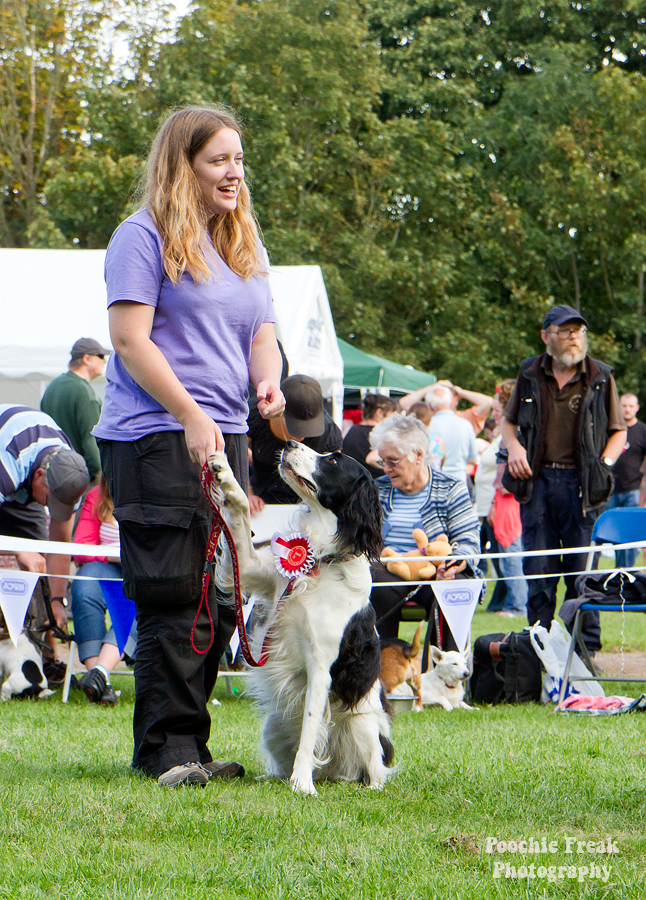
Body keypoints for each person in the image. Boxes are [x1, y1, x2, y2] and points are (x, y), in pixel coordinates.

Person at [93, 106, 285, 788]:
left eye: (239, 159)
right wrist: (187, 412)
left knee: (220, 596)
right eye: (219, 160)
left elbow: (261, 333)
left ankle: (193, 747)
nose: (235, 172)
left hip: (226, 434)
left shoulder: (241, 243)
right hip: (154, 438)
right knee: (175, 592)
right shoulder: (140, 238)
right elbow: (129, 340)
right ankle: (163, 752)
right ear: (183, 166)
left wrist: (268, 384)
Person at [501, 304, 626, 653]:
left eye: (578, 331)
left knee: (582, 575)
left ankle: (584, 654)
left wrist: (604, 462)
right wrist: (514, 449)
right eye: (565, 331)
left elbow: (619, 431)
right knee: (539, 571)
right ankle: (538, 650)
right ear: (546, 335)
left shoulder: (601, 375)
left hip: (583, 487)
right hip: (537, 482)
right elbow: (508, 424)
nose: (573, 338)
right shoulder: (529, 372)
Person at [368, 414, 480, 643]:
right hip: (390, 570)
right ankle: (383, 668)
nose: (386, 468)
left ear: (418, 455)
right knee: (376, 585)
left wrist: (454, 562)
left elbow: (468, 539)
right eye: (382, 461)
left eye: (393, 460)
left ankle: (445, 671)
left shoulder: (450, 488)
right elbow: (364, 540)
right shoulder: (376, 490)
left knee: (453, 591)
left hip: (435, 571)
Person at [0, 405, 90, 679]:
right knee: (27, 555)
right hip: (10, 466)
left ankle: (46, 660)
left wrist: (58, 600)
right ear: (39, 476)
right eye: (51, 501)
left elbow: (59, 545)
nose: (53, 509)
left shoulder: (68, 470)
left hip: (23, 489)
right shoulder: (8, 463)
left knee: (41, 567)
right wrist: (18, 549)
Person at [71, 476, 137, 706]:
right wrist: (108, 555)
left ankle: (99, 673)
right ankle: (99, 680)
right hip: (106, 565)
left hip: (142, 569)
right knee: (84, 582)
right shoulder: (97, 496)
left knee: (142, 596)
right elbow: (81, 548)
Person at [249, 374, 342, 504]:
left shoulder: (329, 432)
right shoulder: (256, 414)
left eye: (309, 428)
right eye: (295, 427)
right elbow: (234, 454)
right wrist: (247, 493)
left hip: (306, 503)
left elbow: (333, 478)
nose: (301, 436)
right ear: (278, 409)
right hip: (259, 499)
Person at [40, 338, 110, 482]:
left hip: (53, 475)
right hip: (78, 477)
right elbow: (91, 441)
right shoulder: (84, 392)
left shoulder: (52, 387)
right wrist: (99, 476)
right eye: (101, 356)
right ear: (86, 359)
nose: (104, 361)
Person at [604, 392, 646, 569]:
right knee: (605, 534)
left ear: (637, 408)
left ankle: (625, 577)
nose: (627, 409)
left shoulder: (643, 430)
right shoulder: (610, 428)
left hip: (633, 490)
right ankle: (592, 577)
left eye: (630, 406)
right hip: (609, 490)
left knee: (627, 537)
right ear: (619, 407)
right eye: (624, 405)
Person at [400, 380, 493, 435]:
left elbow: (487, 402)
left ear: (455, 399)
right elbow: (404, 403)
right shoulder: (427, 416)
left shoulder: (466, 418)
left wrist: (461, 392)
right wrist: (432, 387)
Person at [427, 384, 478, 483]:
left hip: (435, 480)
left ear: (429, 405)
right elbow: (473, 458)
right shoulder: (465, 424)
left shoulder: (427, 426)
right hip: (459, 480)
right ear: (450, 402)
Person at [342, 393, 397, 478]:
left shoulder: (349, 430)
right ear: (379, 413)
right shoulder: (385, 435)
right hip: (376, 485)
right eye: (392, 413)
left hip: (350, 482)